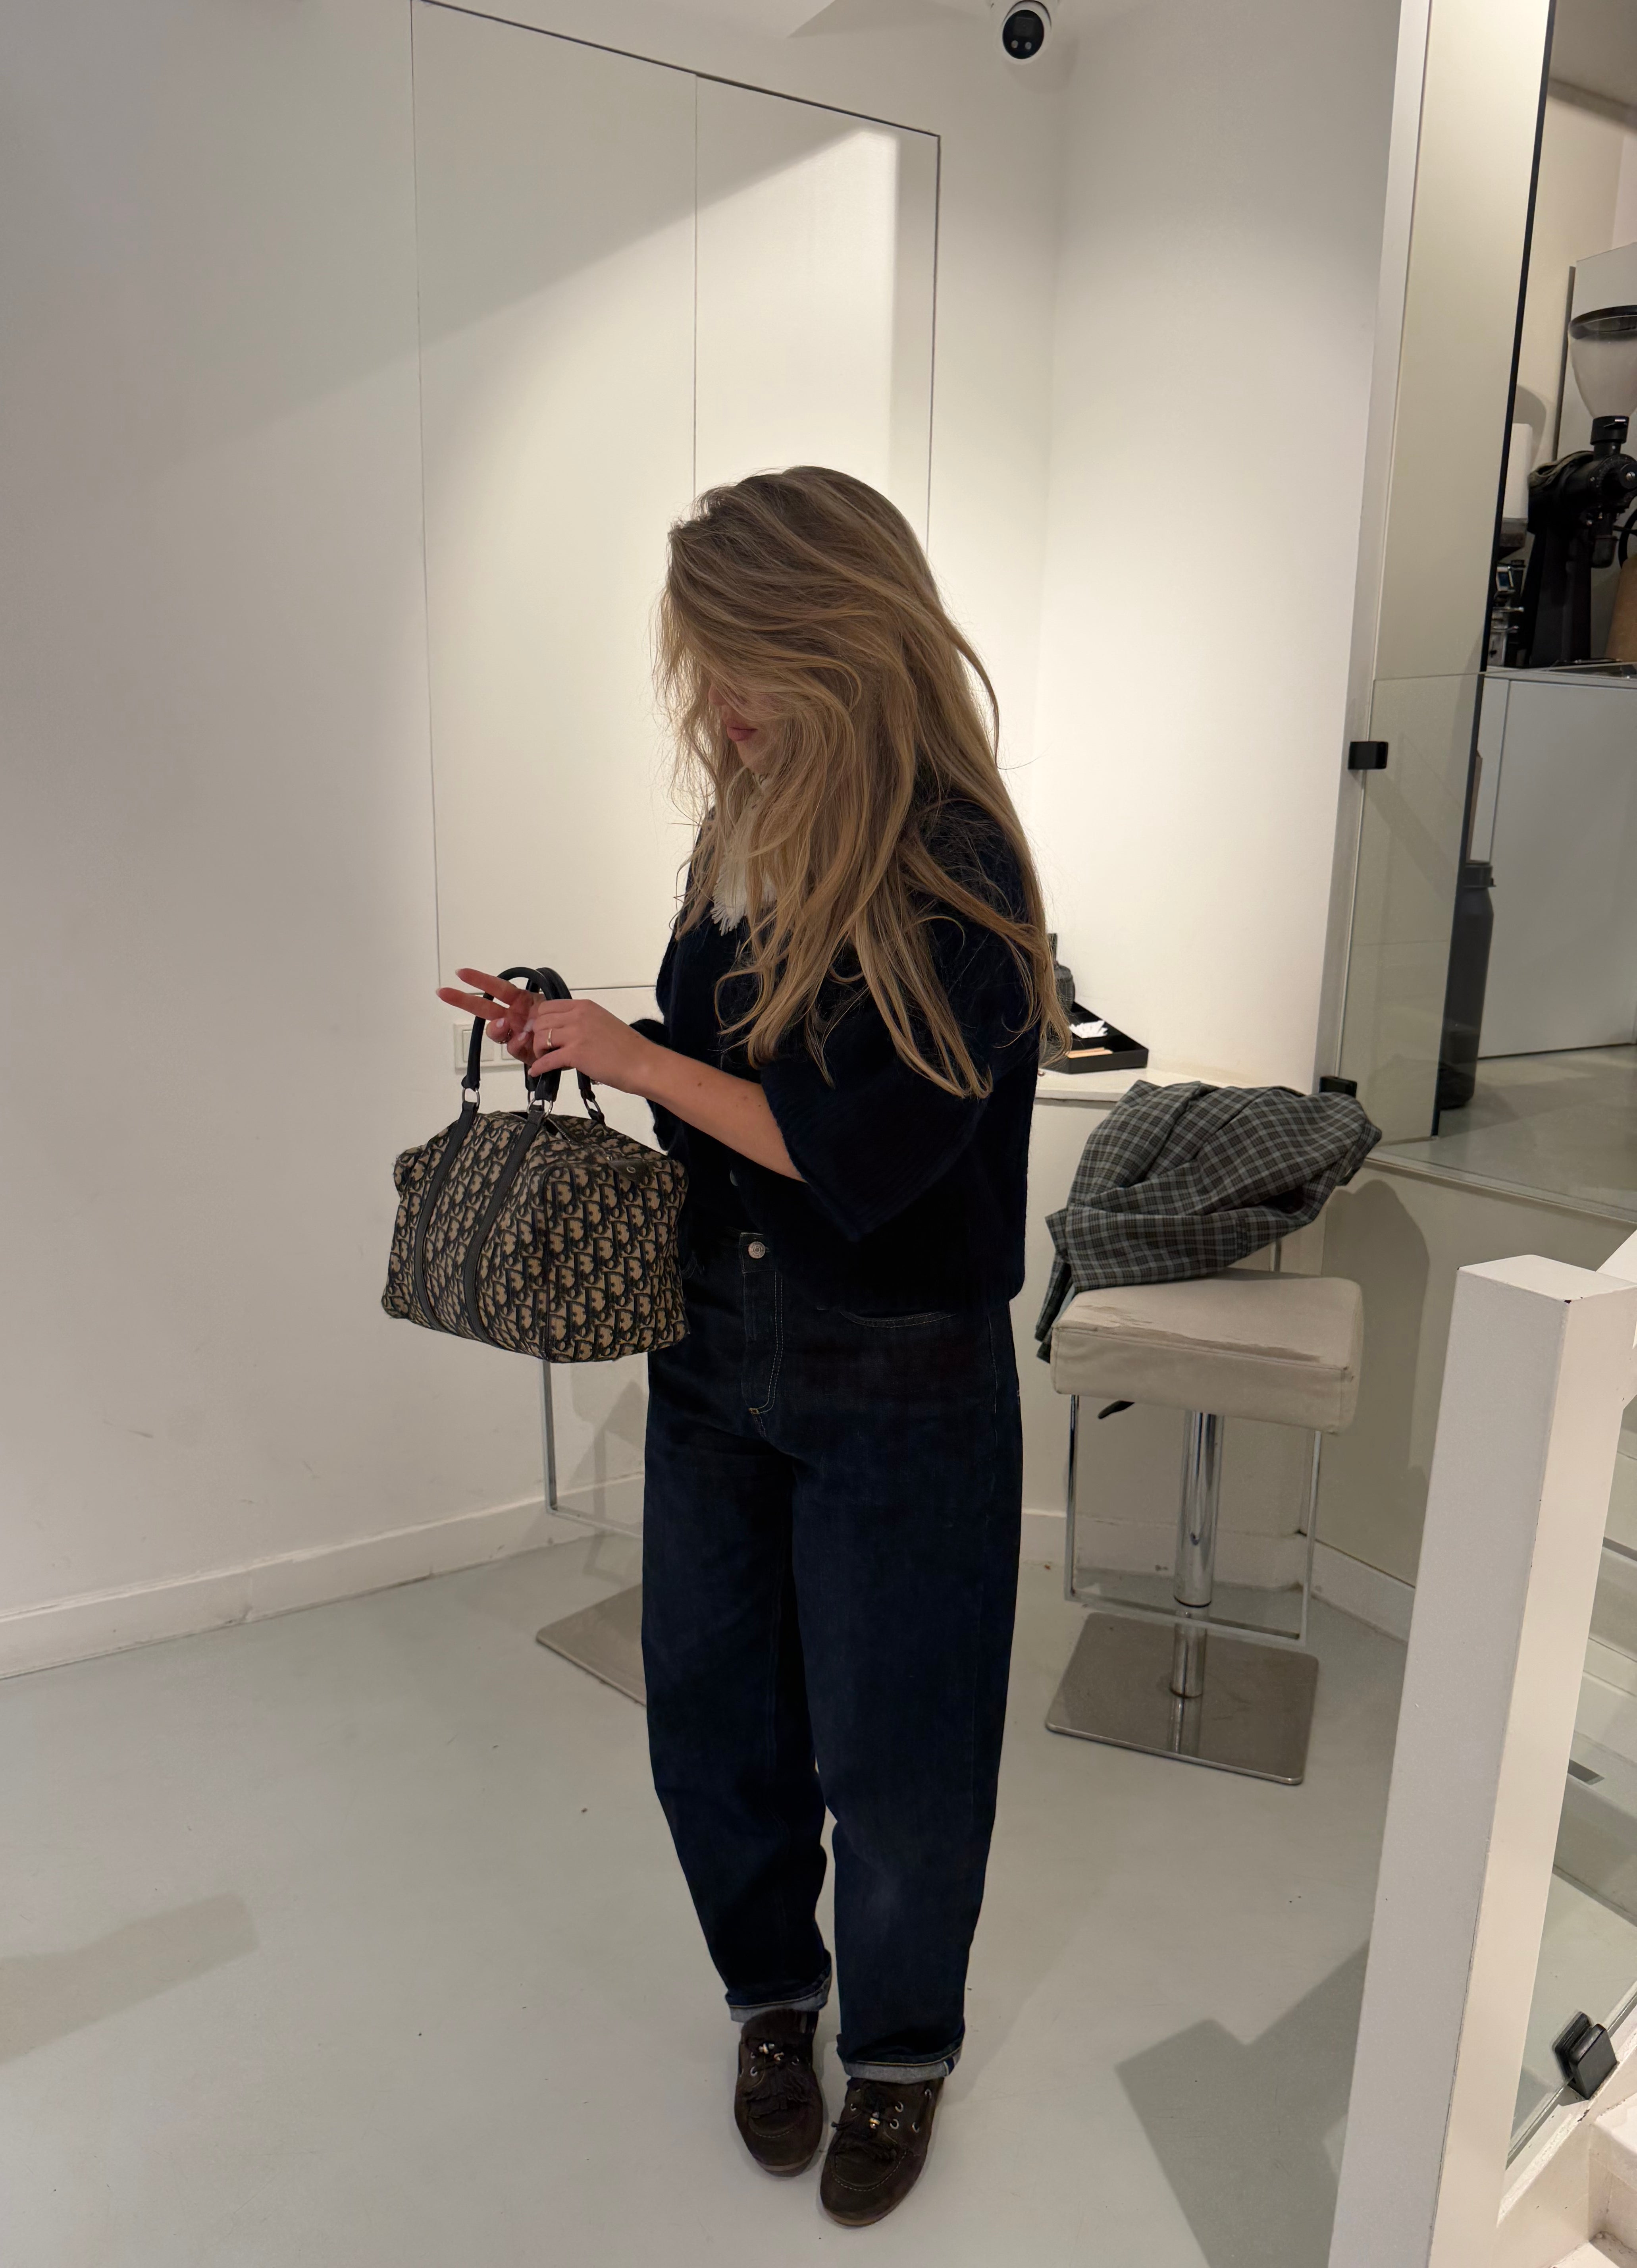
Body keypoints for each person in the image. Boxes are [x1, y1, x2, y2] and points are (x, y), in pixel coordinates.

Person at [438, 467, 1069, 2228]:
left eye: (746, 662)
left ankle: (902, 2053)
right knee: (715, 1720)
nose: (717, 702)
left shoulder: (959, 864)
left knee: (899, 1755)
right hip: (716, 1336)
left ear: (841, 639)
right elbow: (734, 1076)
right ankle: (770, 2000)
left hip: (900, 1364)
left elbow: (865, 1152)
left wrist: (634, 1059)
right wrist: (588, 1035)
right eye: (705, 665)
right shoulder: (751, 829)